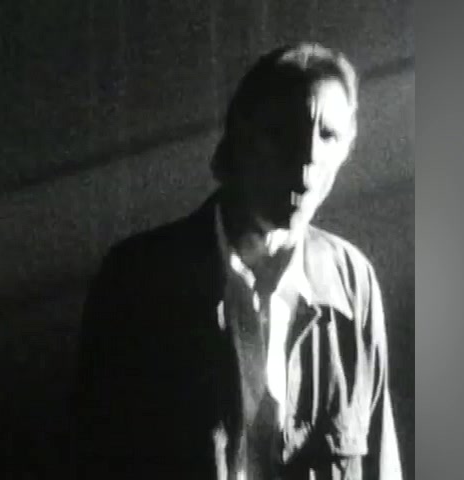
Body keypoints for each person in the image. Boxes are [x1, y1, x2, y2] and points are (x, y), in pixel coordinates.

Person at [75, 43, 403, 479]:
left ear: (348, 148)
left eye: (329, 136)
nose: (308, 156)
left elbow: (380, 462)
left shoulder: (353, 283)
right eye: (282, 132)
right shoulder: (139, 280)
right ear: (242, 135)